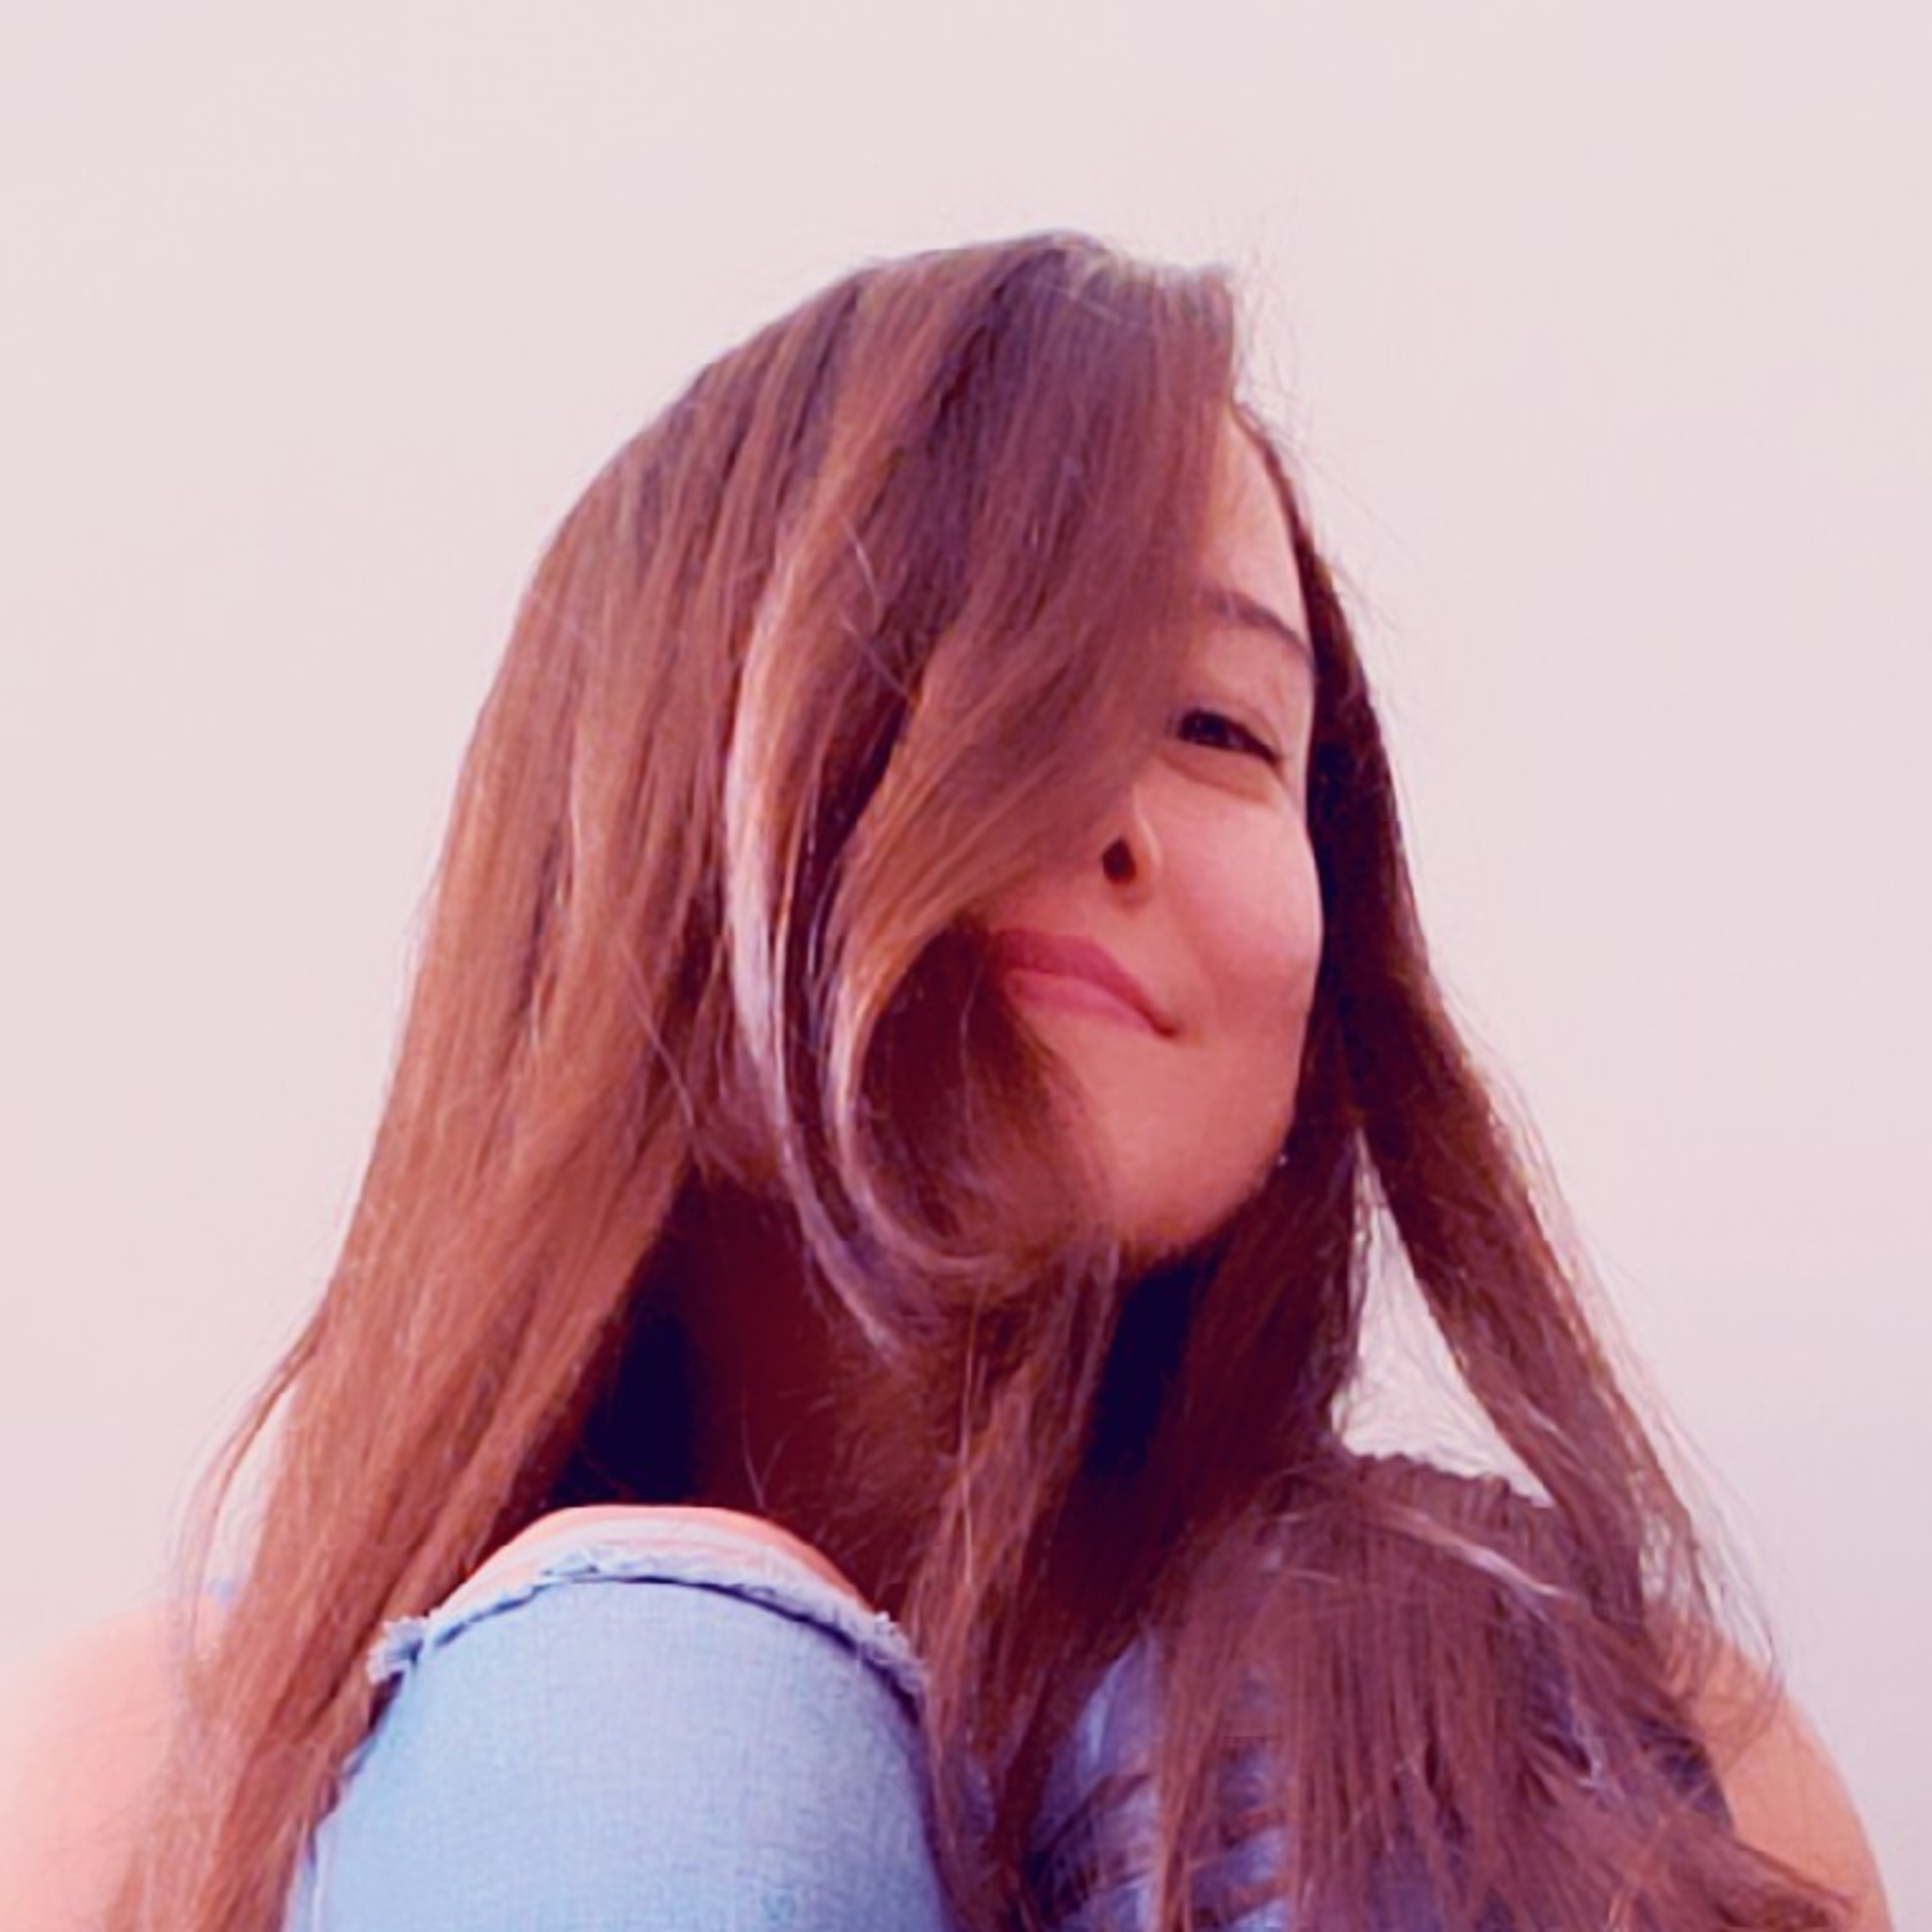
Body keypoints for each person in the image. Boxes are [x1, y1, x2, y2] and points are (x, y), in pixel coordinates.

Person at [2, 232, 1891, 1931]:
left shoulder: (1648, 1760)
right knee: (639, 1732)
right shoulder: (156, 1793)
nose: (1111, 815)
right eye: (982, 685)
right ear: (635, 833)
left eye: (1222, 727)